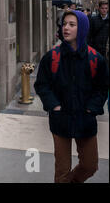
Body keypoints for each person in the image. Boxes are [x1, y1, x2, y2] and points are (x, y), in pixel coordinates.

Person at [34, 10, 108, 183]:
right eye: (64, 24)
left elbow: (102, 88)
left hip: (85, 121)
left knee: (90, 166)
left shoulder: (95, 58)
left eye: (71, 25)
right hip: (60, 121)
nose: (66, 27)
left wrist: (91, 108)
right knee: (62, 171)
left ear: (81, 29)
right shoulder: (51, 57)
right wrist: (54, 106)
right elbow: (41, 85)